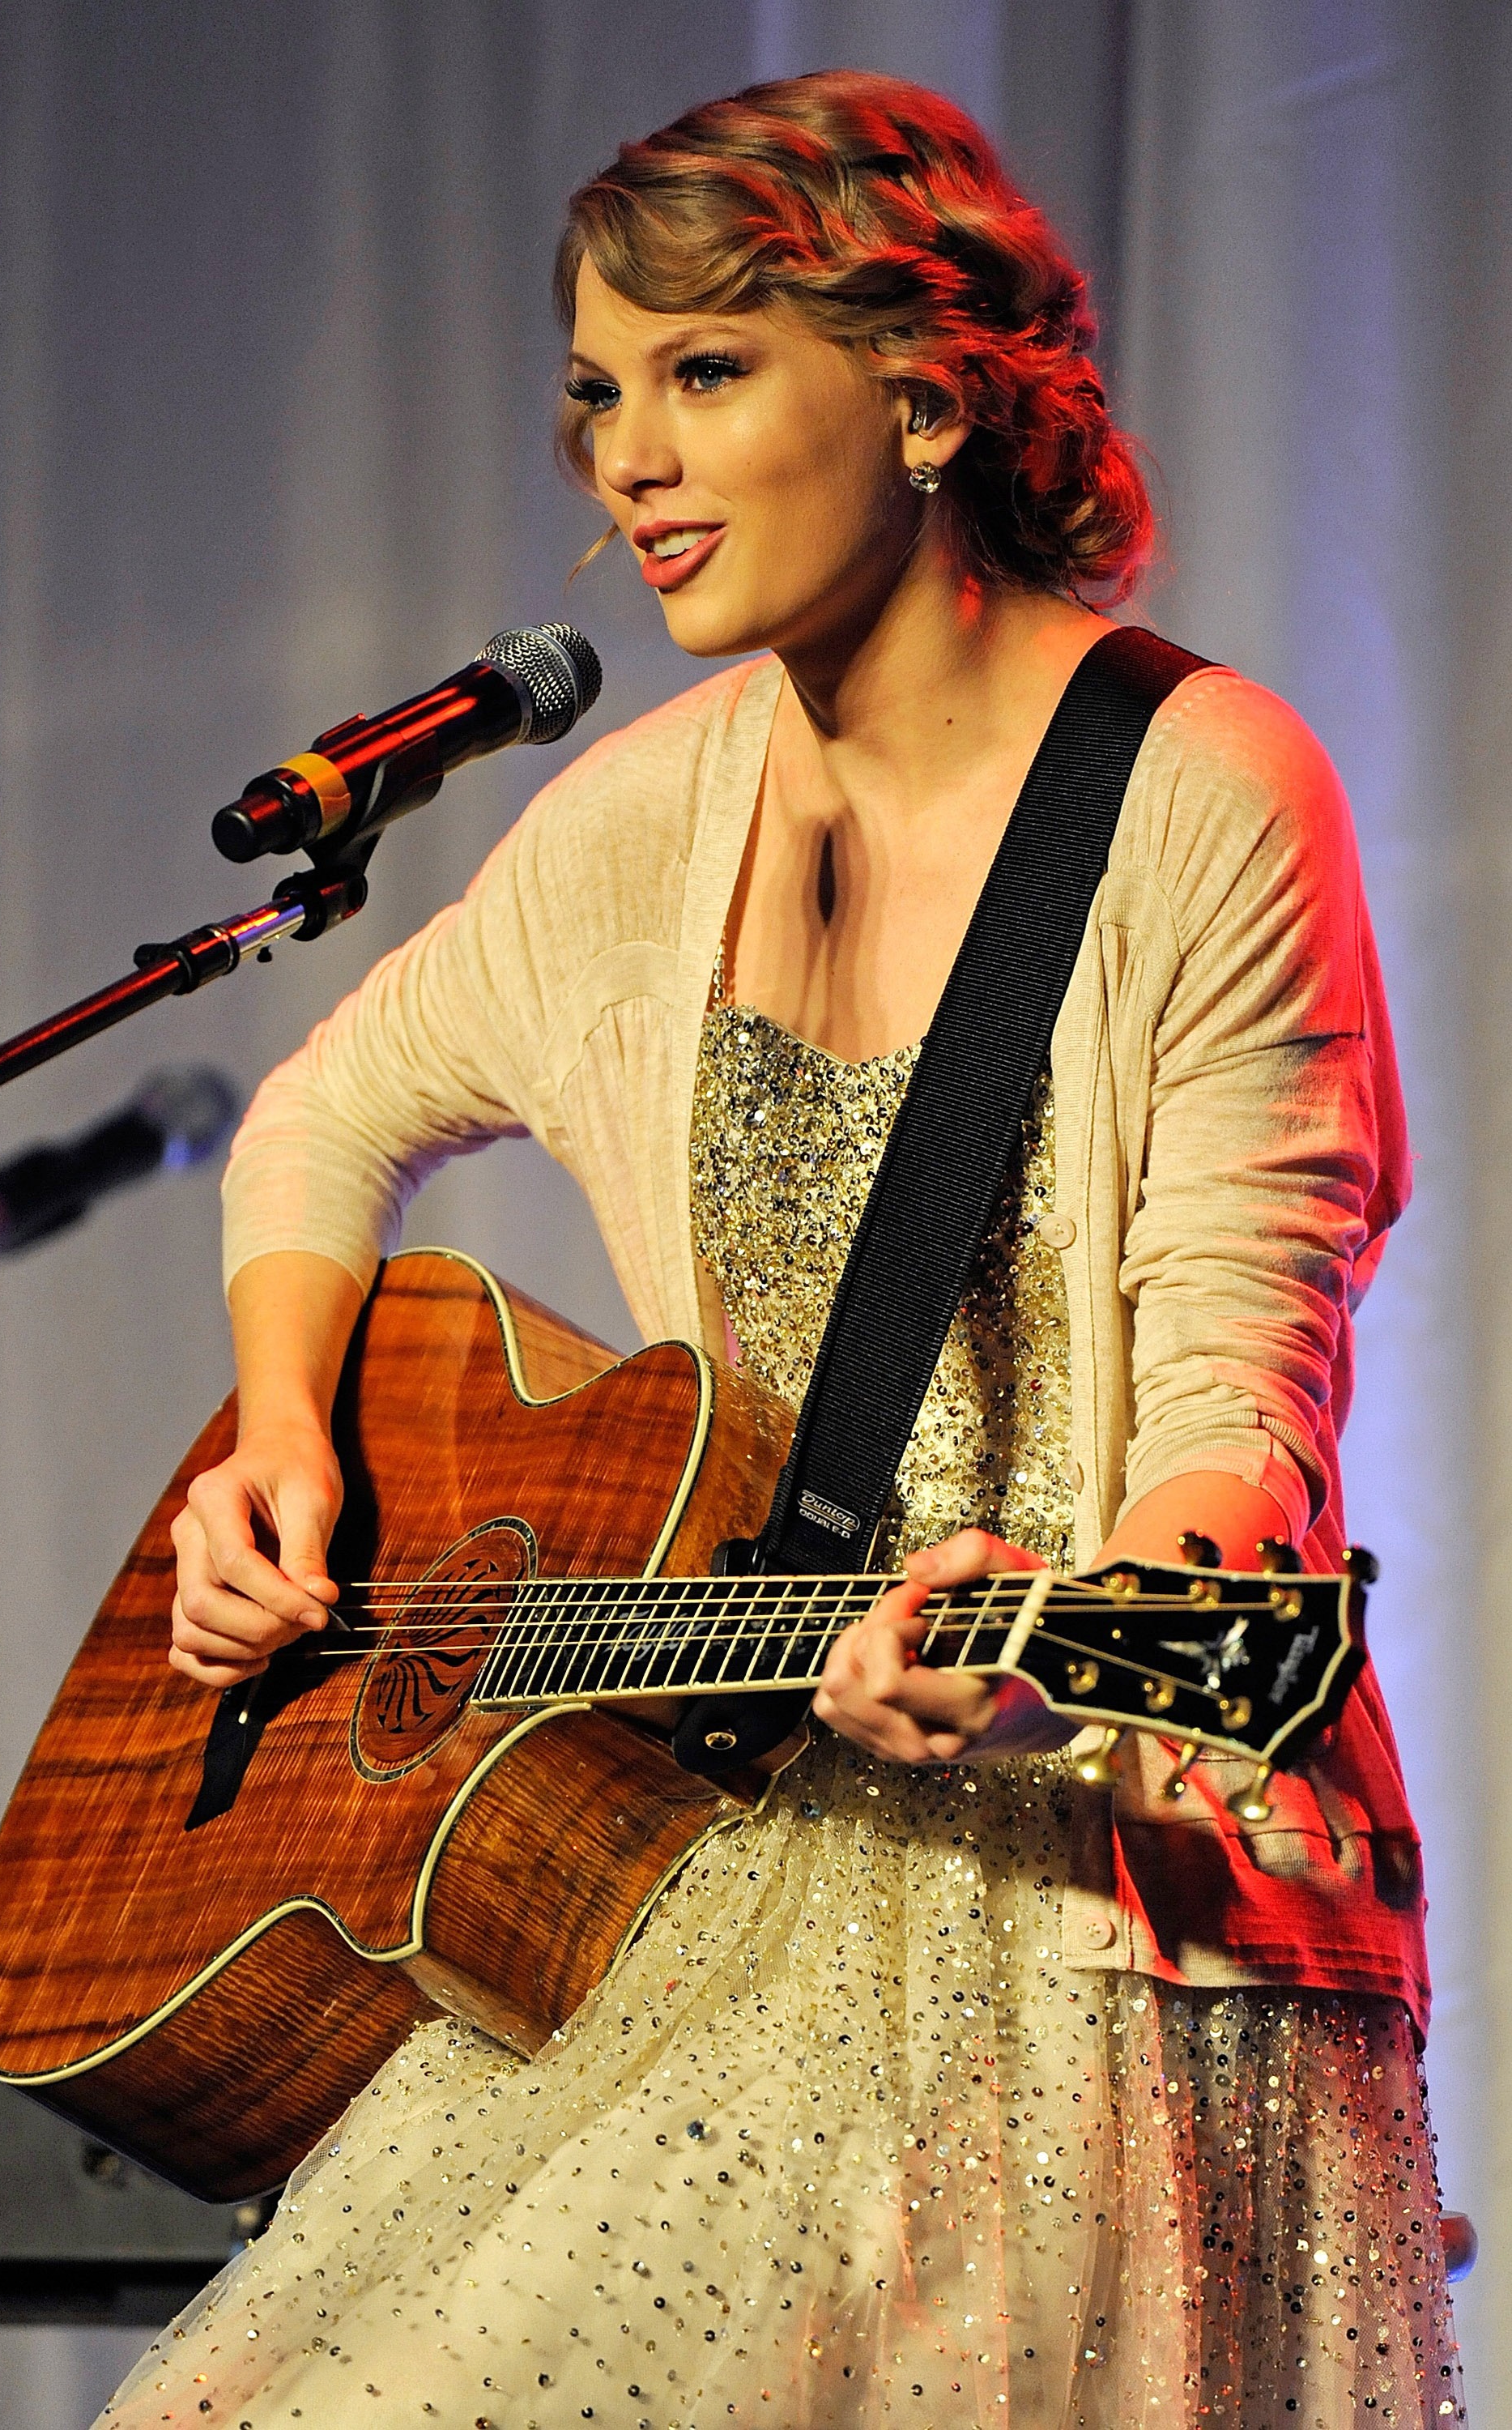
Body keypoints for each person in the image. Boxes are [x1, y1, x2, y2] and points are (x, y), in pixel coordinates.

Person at [97, 70, 1463, 2430]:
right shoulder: (634, 821)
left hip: (1095, 1889)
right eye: (597, 394)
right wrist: (281, 1447)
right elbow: (321, 1116)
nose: (627, 460)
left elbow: (1243, 1376)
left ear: (929, 395)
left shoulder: (1205, 788)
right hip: (711, 1836)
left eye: (707, 371)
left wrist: (1072, 1647)